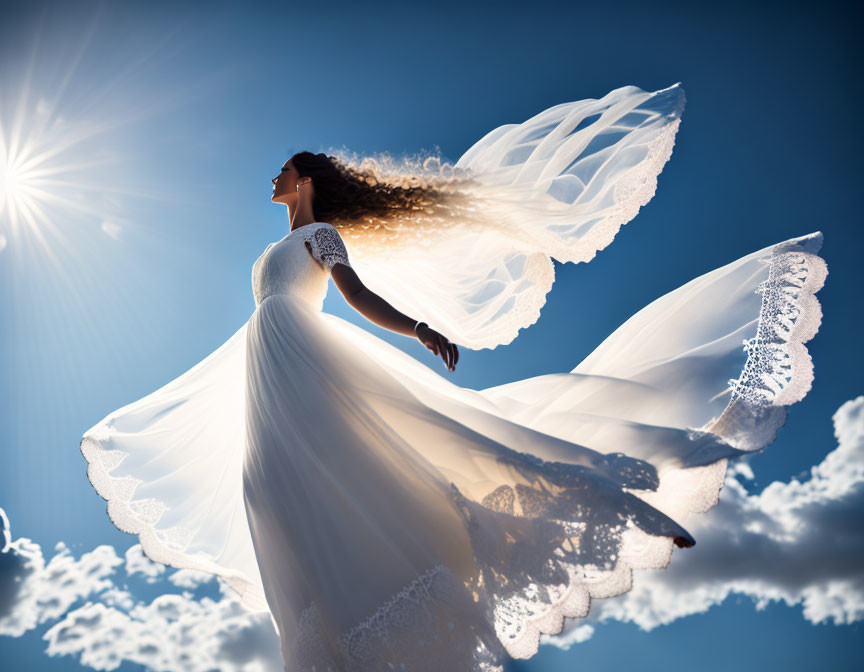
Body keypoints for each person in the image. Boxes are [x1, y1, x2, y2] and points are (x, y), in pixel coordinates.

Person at [81, 83, 827, 671]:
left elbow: (359, 298)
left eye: (283, 168)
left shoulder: (320, 236)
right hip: (267, 371)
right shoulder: (281, 247)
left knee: (408, 446)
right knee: (271, 487)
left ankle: (612, 499)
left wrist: (420, 328)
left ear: (304, 178)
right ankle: (333, 637)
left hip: (302, 361)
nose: (272, 176)